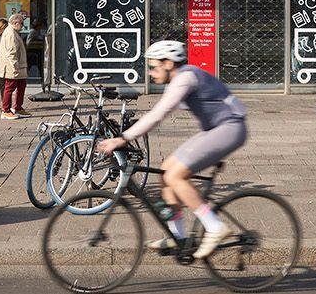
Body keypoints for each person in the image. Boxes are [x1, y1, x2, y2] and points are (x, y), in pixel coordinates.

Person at [97, 40, 246, 261]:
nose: (150, 73)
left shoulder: (185, 78)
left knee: (176, 176)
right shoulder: (180, 78)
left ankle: (215, 227)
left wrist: (124, 138)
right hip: (216, 129)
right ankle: (177, 235)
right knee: (167, 170)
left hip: (230, 128)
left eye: (153, 67)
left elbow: (158, 114)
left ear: (168, 63)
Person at [0, 13, 29, 120]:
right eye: (22, 23)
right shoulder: (11, 33)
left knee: (21, 85)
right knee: (9, 87)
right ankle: (6, 110)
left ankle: (18, 107)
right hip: (12, 66)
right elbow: (11, 53)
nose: (23, 26)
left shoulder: (13, 31)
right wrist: (15, 66)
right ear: (15, 23)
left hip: (18, 66)